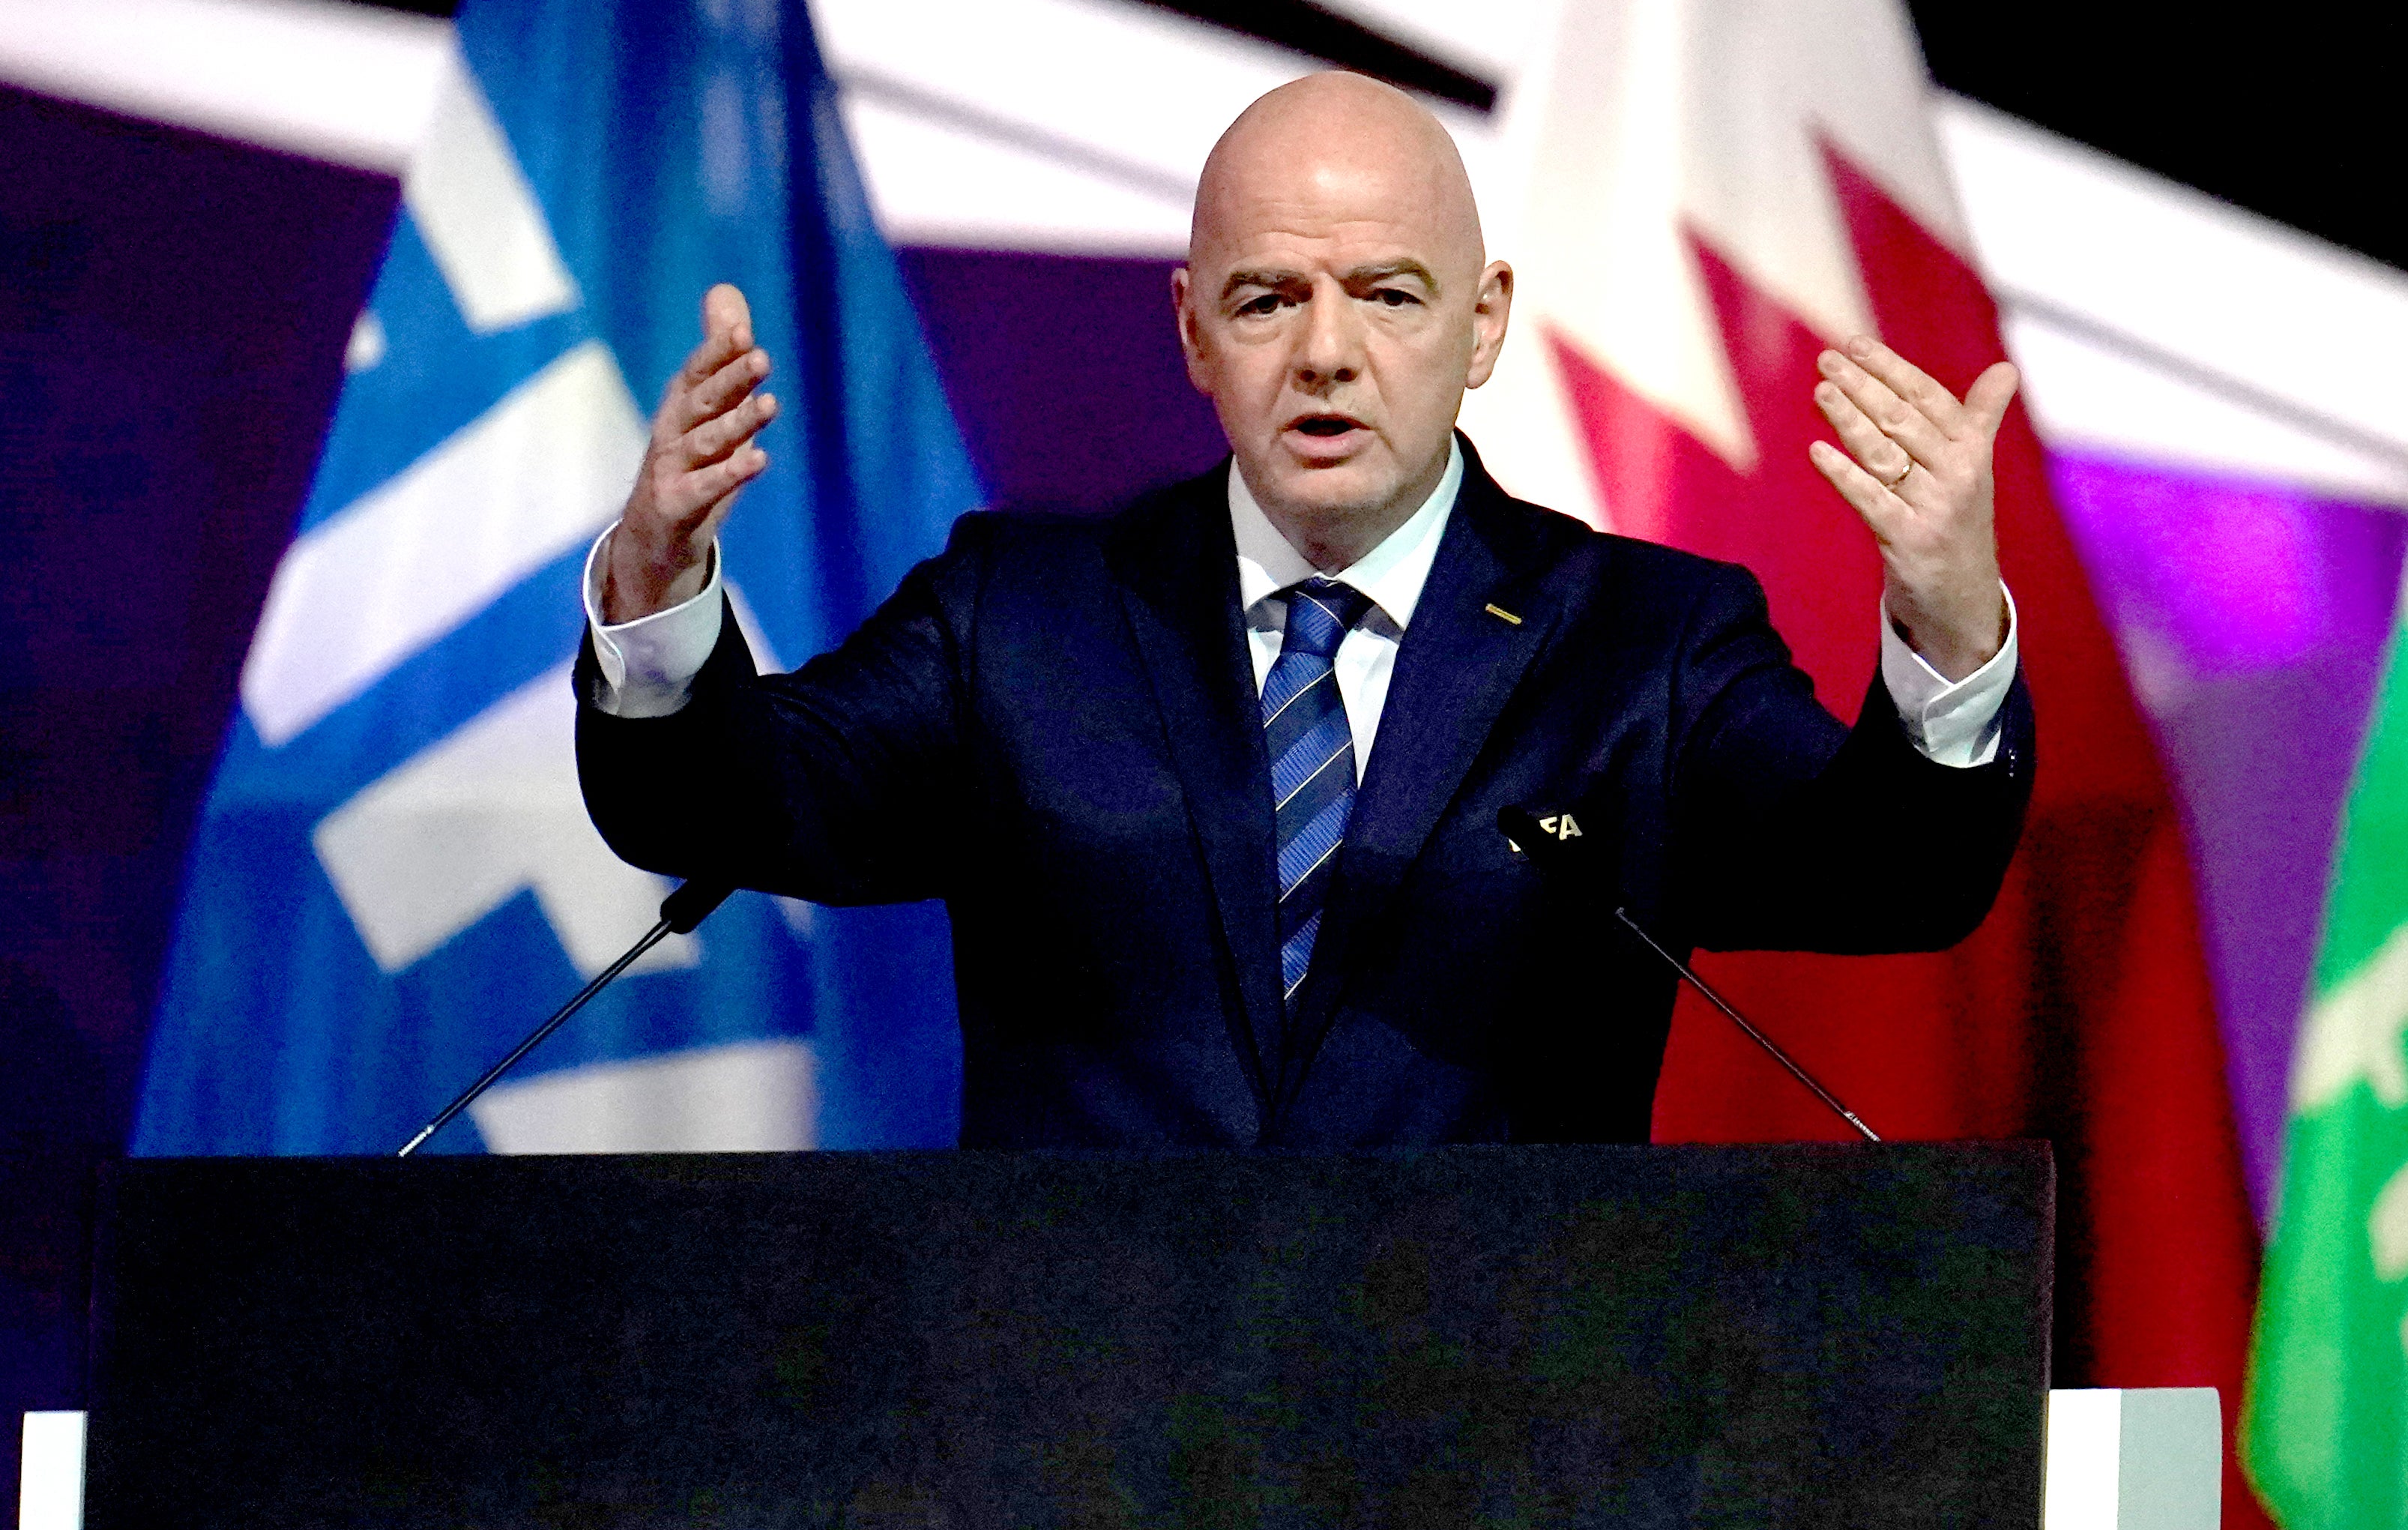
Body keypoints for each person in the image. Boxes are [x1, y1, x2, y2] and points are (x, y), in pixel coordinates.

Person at [573, 70, 2032, 1147]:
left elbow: (1889, 875)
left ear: (1483, 324)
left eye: (1388, 296)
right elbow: (719, 807)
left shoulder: (1639, 647)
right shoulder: (1017, 620)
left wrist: (1952, 626)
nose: (1325, 352)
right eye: (1269, 299)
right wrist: (655, 592)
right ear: (1193, 327)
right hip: (1070, 1435)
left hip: (1498, 1445)